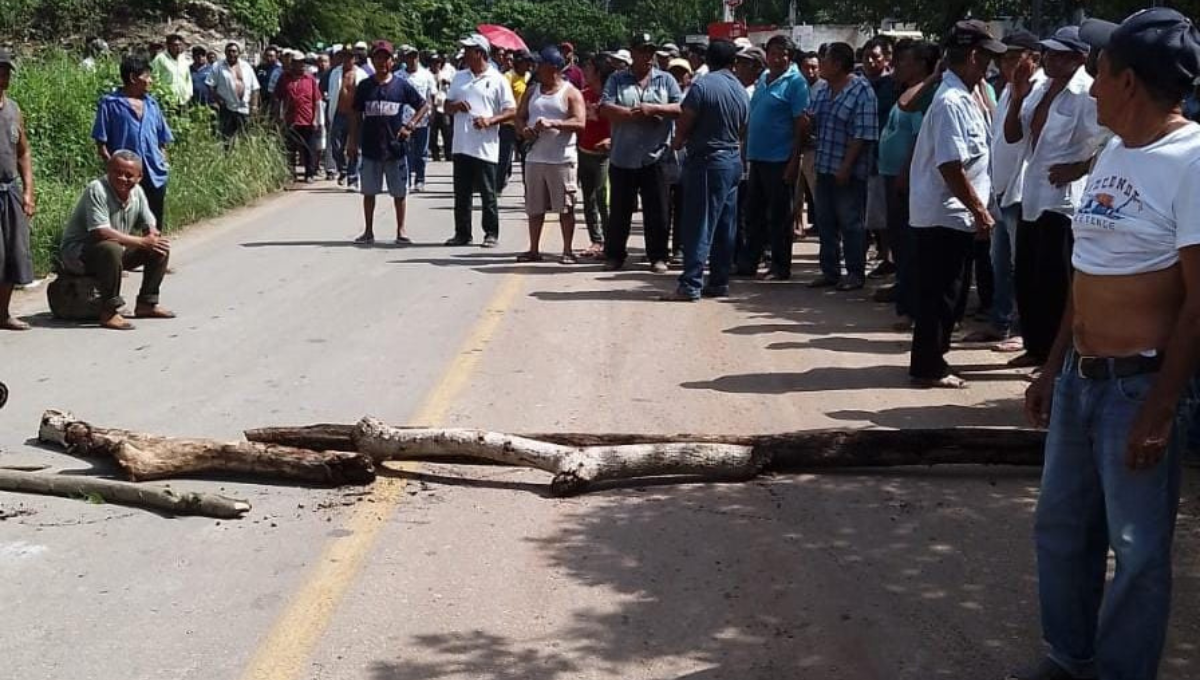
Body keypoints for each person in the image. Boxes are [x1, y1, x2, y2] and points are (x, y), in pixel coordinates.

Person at [1012, 10, 1200, 680]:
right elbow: (1086, 272)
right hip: (1081, 382)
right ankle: (1068, 659)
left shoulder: (1193, 161)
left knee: (1137, 549)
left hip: (1137, 388)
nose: (1090, 87)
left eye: (1101, 71)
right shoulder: (1116, 151)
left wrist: (1160, 408)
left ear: (1127, 81)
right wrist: (1053, 367)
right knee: (1062, 532)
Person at [904, 21, 1006, 389]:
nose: (990, 69)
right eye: (987, 60)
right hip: (945, 214)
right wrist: (980, 211)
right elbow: (950, 164)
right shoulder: (951, 101)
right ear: (974, 56)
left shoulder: (965, 96)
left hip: (954, 213)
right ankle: (929, 366)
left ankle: (934, 358)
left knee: (951, 293)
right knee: (941, 295)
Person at [1005, 26, 1107, 369]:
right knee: (1029, 277)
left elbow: (1111, 141)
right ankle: (1036, 347)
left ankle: (1056, 356)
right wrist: (1017, 94)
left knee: (1055, 281)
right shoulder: (1039, 88)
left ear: (1079, 58)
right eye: (1047, 52)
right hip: (1031, 192)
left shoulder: (1089, 93)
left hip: (1063, 202)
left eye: (1058, 54)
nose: (1048, 59)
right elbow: (1013, 135)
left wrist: (1080, 167)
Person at [960, 30, 1043, 346]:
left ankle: (1024, 329)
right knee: (1000, 265)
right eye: (1003, 58)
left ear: (1033, 59)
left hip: (1022, 192)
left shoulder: (1038, 90)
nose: (1007, 64)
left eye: (1014, 57)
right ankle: (1001, 322)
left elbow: (1015, 136)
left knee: (1021, 267)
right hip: (1001, 189)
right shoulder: (1008, 89)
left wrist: (1020, 94)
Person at [663, 39, 749, 301]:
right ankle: (719, 281)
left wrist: (676, 143)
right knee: (725, 224)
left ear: (707, 60)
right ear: (733, 61)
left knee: (699, 224)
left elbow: (685, 121)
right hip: (732, 160)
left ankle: (690, 284)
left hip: (707, 162)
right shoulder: (740, 89)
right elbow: (744, 127)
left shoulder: (702, 86)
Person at [58, 152, 173, 330]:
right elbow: (100, 232)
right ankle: (109, 311)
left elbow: (149, 221)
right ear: (108, 171)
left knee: (159, 247)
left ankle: (147, 303)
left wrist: (151, 232)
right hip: (79, 255)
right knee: (112, 248)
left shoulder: (137, 192)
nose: (122, 178)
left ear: (139, 177)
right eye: (117, 172)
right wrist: (142, 242)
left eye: (129, 175)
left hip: (112, 252)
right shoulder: (97, 189)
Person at [600, 33, 683, 273]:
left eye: (651, 51)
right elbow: (605, 106)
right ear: (633, 53)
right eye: (642, 51)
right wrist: (630, 114)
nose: (647, 56)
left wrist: (655, 109)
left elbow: (680, 107)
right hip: (623, 155)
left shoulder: (665, 80)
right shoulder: (617, 79)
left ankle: (657, 256)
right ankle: (615, 255)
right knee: (620, 210)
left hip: (655, 155)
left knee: (658, 210)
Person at [800, 41, 879, 291]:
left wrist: (846, 166)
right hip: (824, 165)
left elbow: (863, 134)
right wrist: (806, 122)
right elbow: (815, 120)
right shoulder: (823, 90)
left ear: (837, 64)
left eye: (825, 61)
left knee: (851, 222)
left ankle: (855, 273)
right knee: (825, 222)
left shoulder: (861, 90)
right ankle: (830, 271)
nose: (821, 65)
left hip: (849, 171)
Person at [876, 40, 939, 325]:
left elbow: (917, 138)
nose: (897, 66)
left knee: (909, 245)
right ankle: (904, 295)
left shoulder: (924, 96)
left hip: (908, 179)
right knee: (899, 243)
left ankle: (912, 308)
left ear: (922, 65)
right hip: (891, 175)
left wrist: (905, 173)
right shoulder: (905, 91)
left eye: (905, 61)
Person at [737, 35, 809, 281]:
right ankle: (750, 261)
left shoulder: (796, 83)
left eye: (783, 53)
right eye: (774, 53)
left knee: (779, 216)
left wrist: (793, 161)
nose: (778, 58)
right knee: (753, 213)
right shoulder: (763, 79)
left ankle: (780, 266)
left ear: (790, 57)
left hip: (780, 159)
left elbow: (801, 125)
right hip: (757, 157)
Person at [347, 41, 430, 245]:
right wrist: (352, 142)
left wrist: (410, 125)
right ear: (373, 60)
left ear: (392, 61)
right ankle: (368, 231)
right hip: (370, 147)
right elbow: (356, 115)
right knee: (369, 192)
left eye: (386, 58)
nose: (382, 62)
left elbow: (423, 105)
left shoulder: (401, 86)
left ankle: (401, 231)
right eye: (378, 58)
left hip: (395, 148)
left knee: (399, 193)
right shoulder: (365, 86)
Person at [444, 33, 517, 248]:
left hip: (485, 147)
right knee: (462, 193)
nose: (464, 54)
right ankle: (462, 233)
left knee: (487, 192)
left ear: (480, 53)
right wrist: (456, 106)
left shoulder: (497, 79)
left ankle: (491, 232)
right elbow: (446, 107)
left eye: (468, 50)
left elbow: (511, 110)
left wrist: (491, 120)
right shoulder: (459, 77)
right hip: (461, 144)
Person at [514, 46, 586, 264]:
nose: (536, 69)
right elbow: (520, 116)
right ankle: (534, 248)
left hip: (561, 159)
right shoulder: (533, 90)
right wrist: (524, 129)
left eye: (541, 65)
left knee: (565, 207)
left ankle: (567, 250)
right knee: (534, 207)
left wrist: (554, 123)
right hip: (535, 157)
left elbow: (580, 122)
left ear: (553, 68)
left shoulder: (570, 92)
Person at [92, 55, 174, 233]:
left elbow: (162, 141)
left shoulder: (152, 104)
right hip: (125, 178)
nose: (150, 81)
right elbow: (101, 144)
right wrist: (115, 171)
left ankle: (155, 257)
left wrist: (163, 162)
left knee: (154, 224)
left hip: (154, 175)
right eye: (147, 77)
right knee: (122, 224)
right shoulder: (110, 104)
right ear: (133, 78)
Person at [0, 50, 35, 331]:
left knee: (15, 253)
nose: (3, 76)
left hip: (9, 190)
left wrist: (27, 193)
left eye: (6, 70)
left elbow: (23, 153)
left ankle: (3, 313)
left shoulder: (13, 109)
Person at [861, 36, 898, 279]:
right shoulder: (860, 84)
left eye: (876, 57)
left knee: (883, 214)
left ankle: (889, 258)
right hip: (862, 156)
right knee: (871, 213)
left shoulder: (891, 86)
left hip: (883, 157)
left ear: (886, 59)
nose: (871, 62)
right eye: (866, 57)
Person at [578, 53, 613, 259]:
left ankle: (611, 241)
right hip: (584, 152)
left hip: (605, 156)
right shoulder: (584, 95)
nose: (585, 70)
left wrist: (611, 141)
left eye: (589, 67)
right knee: (588, 199)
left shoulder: (611, 96)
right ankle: (596, 240)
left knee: (603, 198)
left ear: (598, 72)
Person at [275, 53, 323, 183]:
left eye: (301, 62)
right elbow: (278, 98)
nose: (299, 65)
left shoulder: (310, 79)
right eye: (296, 62)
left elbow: (317, 100)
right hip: (290, 119)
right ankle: (291, 173)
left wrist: (316, 119)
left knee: (309, 148)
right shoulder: (285, 78)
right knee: (290, 148)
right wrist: (279, 116)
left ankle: (309, 173)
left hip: (307, 119)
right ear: (292, 63)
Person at [328, 45, 370, 189]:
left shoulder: (362, 75)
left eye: (350, 56)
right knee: (336, 146)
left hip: (356, 115)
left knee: (354, 147)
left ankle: (353, 178)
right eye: (344, 56)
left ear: (355, 58)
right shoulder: (335, 73)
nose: (347, 59)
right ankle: (343, 169)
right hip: (339, 114)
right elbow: (332, 93)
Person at [396, 45, 437, 192]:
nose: (412, 60)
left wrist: (432, 114)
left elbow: (431, 96)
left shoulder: (426, 75)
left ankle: (420, 179)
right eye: (409, 57)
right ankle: (405, 179)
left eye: (414, 56)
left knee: (421, 152)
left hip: (422, 120)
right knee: (404, 151)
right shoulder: (399, 76)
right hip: (404, 120)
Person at [793, 51, 822, 237]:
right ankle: (797, 227)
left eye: (814, 67)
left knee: (818, 194)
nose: (810, 71)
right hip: (796, 148)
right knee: (795, 194)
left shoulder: (825, 89)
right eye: (806, 67)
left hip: (815, 149)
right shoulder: (796, 87)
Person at [207, 42, 261, 142]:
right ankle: (227, 156)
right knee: (227, 138)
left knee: (245, 136)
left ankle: (244, 156)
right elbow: (210, 85)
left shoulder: (246, 66)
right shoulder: (218, 66)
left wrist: (254, 106)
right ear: (225, 53)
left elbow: (255, 87)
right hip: (227, 108)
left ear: (238, 53)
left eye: (234, 51)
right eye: (229, 51)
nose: (231, 53)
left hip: (244, 108)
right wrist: (218, 100)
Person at [498, 50, 532, 194]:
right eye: (526, 62)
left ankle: (529, 190)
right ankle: (497, 186)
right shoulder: (508, 77)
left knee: (527, 159)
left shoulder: (529, 77)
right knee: (505, 158)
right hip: (509, 124)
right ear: (518, 62)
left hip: (524, 124)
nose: (528, 65)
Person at [151, 33, 193, 108]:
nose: (178, 47)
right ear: (168, 46)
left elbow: (188, 78)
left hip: (183, 99)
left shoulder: (183, 59)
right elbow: (154, 78)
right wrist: (161, 95)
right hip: (167, 100)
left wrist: (189, 93)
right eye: (175, 45)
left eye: (180, 45)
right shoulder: (160, 59)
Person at [430, 54, 456, 161]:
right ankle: (435, 154)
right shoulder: (427, 75)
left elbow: (453, 86)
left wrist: (448, 82)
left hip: (443, 105)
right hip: (432, 106)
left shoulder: (445, 74)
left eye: (438, 62)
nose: (436, 65)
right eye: (434, 62)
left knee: (447, 131)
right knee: (433, 132)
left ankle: (448, 153)